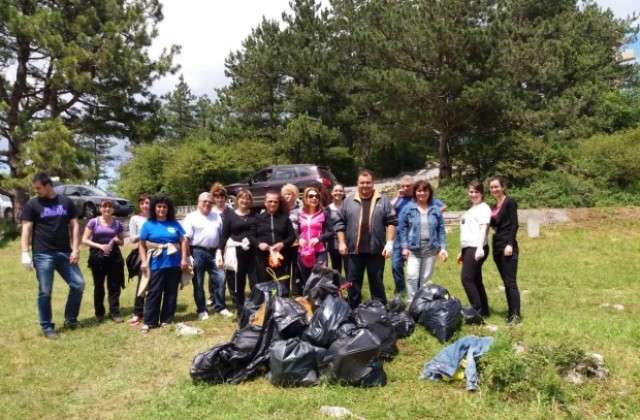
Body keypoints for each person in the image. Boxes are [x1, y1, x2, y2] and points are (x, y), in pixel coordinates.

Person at [20, 172, 85, 339]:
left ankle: (71, 319)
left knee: (78, 284)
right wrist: (25, 253)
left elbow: (75, 226)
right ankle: (47, 327)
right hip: (43, 254)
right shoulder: (32, 204)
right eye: (35, 188)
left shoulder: (65, 202)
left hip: (65, 252)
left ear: (48, 185)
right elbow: (26, 229)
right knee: (45, 291)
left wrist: (76, 249)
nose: (36, 191)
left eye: (38, 188)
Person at [335, 170, 397, 309]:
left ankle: (380, 311)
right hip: (353, 252)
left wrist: (390, 243)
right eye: (362, 182)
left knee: (376, 283)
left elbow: (392, 222)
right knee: (353, 284)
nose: (365, 185)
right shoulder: (348, 201)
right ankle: (352, 310)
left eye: (368, 182)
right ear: (357, 183)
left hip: (376, 251)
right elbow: (339, 223)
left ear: (373, 183)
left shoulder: (383, 200)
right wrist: (342, 242)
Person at [138, 194, 189, 333]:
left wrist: (184, 258)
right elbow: (141, 244)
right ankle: (149, 321)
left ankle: (166, 319)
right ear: (154, 208)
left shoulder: (174, 223)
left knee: (171, 292)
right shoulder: (148, 224)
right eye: (159, 206)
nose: (161, 209)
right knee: (154, 292)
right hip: (156, 263)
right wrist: (143, 261)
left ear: (168, 209)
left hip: (174, 263)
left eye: (164, 207)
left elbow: (183, 241)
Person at [391, 175, 447, 296]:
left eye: (408, 186)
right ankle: (406, 295)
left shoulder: (431, 205)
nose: (405, 188)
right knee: (404, 270)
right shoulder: (405, 204)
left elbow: (441, 226)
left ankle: (420, 298)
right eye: (403, 186)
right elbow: (394, 217)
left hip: (428, 244)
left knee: (423, 275)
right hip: (406, 241)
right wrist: (405, 247)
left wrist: (442, 247)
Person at [182, 192, 232, 320]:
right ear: (198, 202)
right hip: (197, 252)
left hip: (215, 252)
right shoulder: (191, 217)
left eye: (210, 202)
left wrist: (222, 252)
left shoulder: (216, 216)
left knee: (221, 279)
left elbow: (222, 237)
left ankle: (220, 307)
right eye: (205, 201)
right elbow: (185, 239)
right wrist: (188, 257)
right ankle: (202, 310)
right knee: (198, 283)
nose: (207, 204)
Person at [81, 198, 125, 323]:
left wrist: (117, 241)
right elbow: (84, 240)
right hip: (97, 257)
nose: (107, 209)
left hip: (114, 257)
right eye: (104, 206)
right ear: (100, 208)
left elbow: (122, 242)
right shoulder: (93, 222)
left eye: (110, 207)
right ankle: (99, 314)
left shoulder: (117, 224)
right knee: (99, 286)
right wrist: (100, 246)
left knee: (114, 286)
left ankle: (115, 313)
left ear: (113, 209)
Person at [218, 190, 257, 317]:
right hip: (236, 254)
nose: (245, 201)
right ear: (237, 200)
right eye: (242, 198)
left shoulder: (255, 216)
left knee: (255, 283)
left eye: (247, 199)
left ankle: (255, 309)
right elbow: (224, 236)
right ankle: (241, 311)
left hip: (252, 254)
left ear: (251, 201)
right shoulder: (230, 216)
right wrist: (219, 251)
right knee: (238, 284)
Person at [489, 176, 522, 324]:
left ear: (503, 187)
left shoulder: (510, 202)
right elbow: (492, 224)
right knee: (505, 282)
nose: (494, 189)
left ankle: (516, 316)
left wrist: (510, 244)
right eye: (491, 187)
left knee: (510, 282)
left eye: (496, 186)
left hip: (508, 248)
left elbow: (514, 225)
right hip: (497, 247)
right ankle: (510, 313)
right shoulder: (494, 206)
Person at [254, 190, 296, 294]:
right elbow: (251, 236)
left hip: (281, 256)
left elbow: (292, 236)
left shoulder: (284, 218)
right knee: (264, 285)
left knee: (282, 284)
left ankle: (282, 307)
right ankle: (267, 307)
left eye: (275, 202)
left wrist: (283, 244)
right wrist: (259, 244)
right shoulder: (258, 218)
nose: (272, 204)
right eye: (270, 201)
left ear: (279, 203)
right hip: (263, 257)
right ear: (265, 202)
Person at [459, 180, 491, 318]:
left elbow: (484, 228)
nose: (473, 194)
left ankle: (476, 311)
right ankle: (484, 310)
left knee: (467, 279)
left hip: (476, 248)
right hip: (468, 247)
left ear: (482, 193)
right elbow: (469, 231)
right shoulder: (472, 209)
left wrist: (479, 248)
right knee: (476, 280)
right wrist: (462, 251)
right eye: (471, 191)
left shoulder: (484, 208)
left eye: (476, 192)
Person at [298, 186, 334, 285]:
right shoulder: (300, 215)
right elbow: (297, 232)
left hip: (319, 252)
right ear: (305, 198)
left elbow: (331, 232)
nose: (314, 198)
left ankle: (320, 300)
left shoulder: (324, 213)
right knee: (307, 281)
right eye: (311, 196)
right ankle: (309, 300)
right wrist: (300, 239)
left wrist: (319, 239)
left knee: (319, 280)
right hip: (304, 252)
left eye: (316, 196)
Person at [206, 182, 233, 313]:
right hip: (214, 246)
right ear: (214, 198)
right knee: (214, 273)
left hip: (228, 245)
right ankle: (212, 296)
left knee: (227, 271)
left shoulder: (230, 211)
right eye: (216, 196)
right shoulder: (210, 211)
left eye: (222, 196)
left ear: (225, 197)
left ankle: (229, 294)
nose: (219, 199)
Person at [127, 193, 150, 326]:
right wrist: (144, 234)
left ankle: (151, 310)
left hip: (157, 252)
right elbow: (132, 238)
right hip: (143, 253)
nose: (145, 205)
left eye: (147, 203)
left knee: (154, 284)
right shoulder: (135, 219)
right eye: (142, 203)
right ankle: (137, 313)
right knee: (142, 283)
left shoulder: (156, 218)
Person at [281, 183, 303, 296]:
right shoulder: (280, 210)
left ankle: (297, 294)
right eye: (284, 194)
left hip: (297, 244)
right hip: (284, 245)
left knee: (296, 270)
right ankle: (284, 295)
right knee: (284, 271)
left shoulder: (300, 210)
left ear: (294, 195)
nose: (286, 196)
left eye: (289, 194)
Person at [326, 184, 347, 276]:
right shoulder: (327, 209)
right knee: (336, 268)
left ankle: (351, 288)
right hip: (333, 243)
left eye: (340, 191)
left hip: (348, 242)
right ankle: (337, 289)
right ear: (331, 193)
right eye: (336, 190)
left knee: (350, 268)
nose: (338, 193)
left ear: (343, 193)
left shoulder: (348, 207)